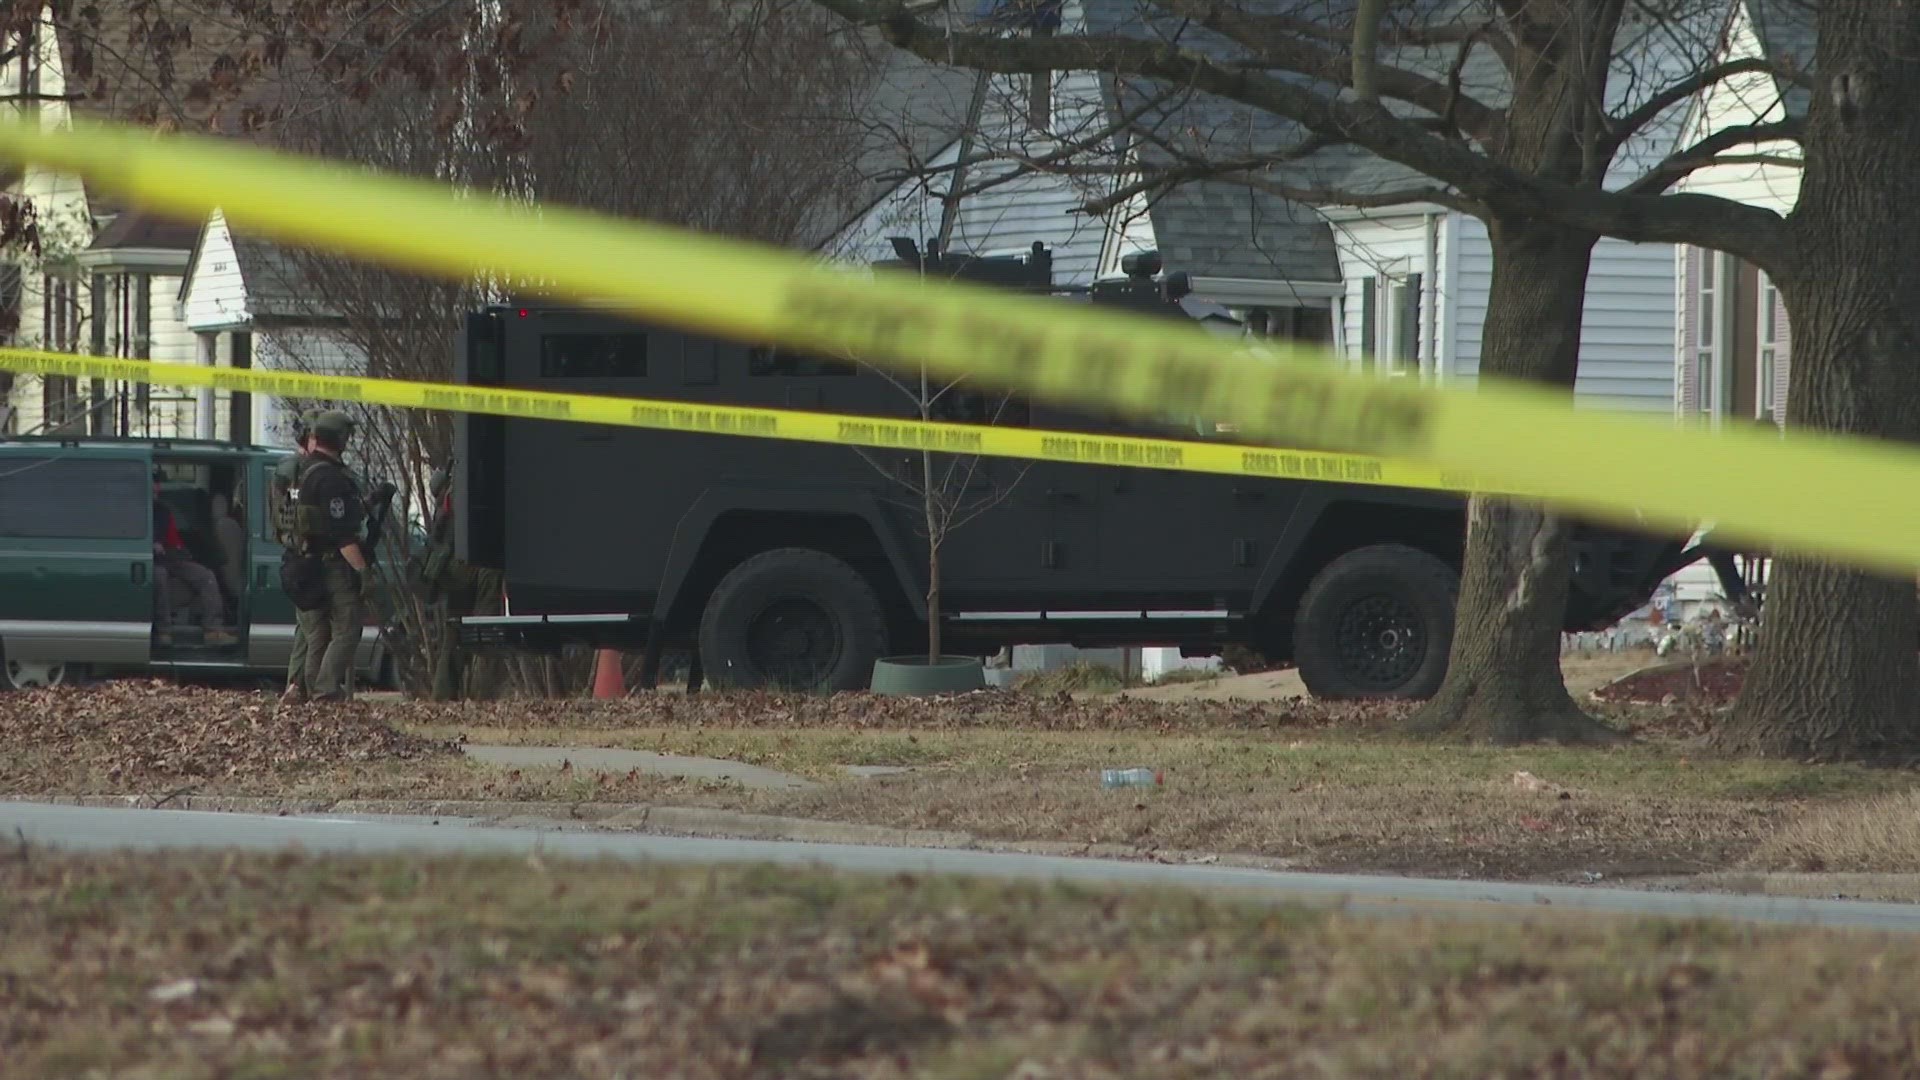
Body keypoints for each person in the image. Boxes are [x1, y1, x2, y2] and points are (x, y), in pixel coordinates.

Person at [292, 410, 370, 701]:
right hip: (333, 565)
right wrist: (363, 571)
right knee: (348, 628)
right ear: (339, 439)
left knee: (319, 634)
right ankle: (324, 690)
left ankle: (314, 690)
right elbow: (341, 534)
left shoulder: (305, 470)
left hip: (308, 562)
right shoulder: (329, 478)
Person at [152, 472, 236, 646]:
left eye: (156, 485)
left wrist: (180, 550)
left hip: (171, 557)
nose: (154, 489)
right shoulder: (135, 510)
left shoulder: (162, 510)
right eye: (151, 485)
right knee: (159, 577)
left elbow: (173, 540)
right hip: (152, 561)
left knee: (206, 576)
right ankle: (163, 631)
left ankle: (212, 630)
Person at [271, 411, 318, 703]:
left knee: (306, 630)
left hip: (303, 557)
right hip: (302, 559)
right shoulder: (295, 470)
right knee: (314, 629)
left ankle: (295, 686)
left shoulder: (302, 468)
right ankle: (304, 689)